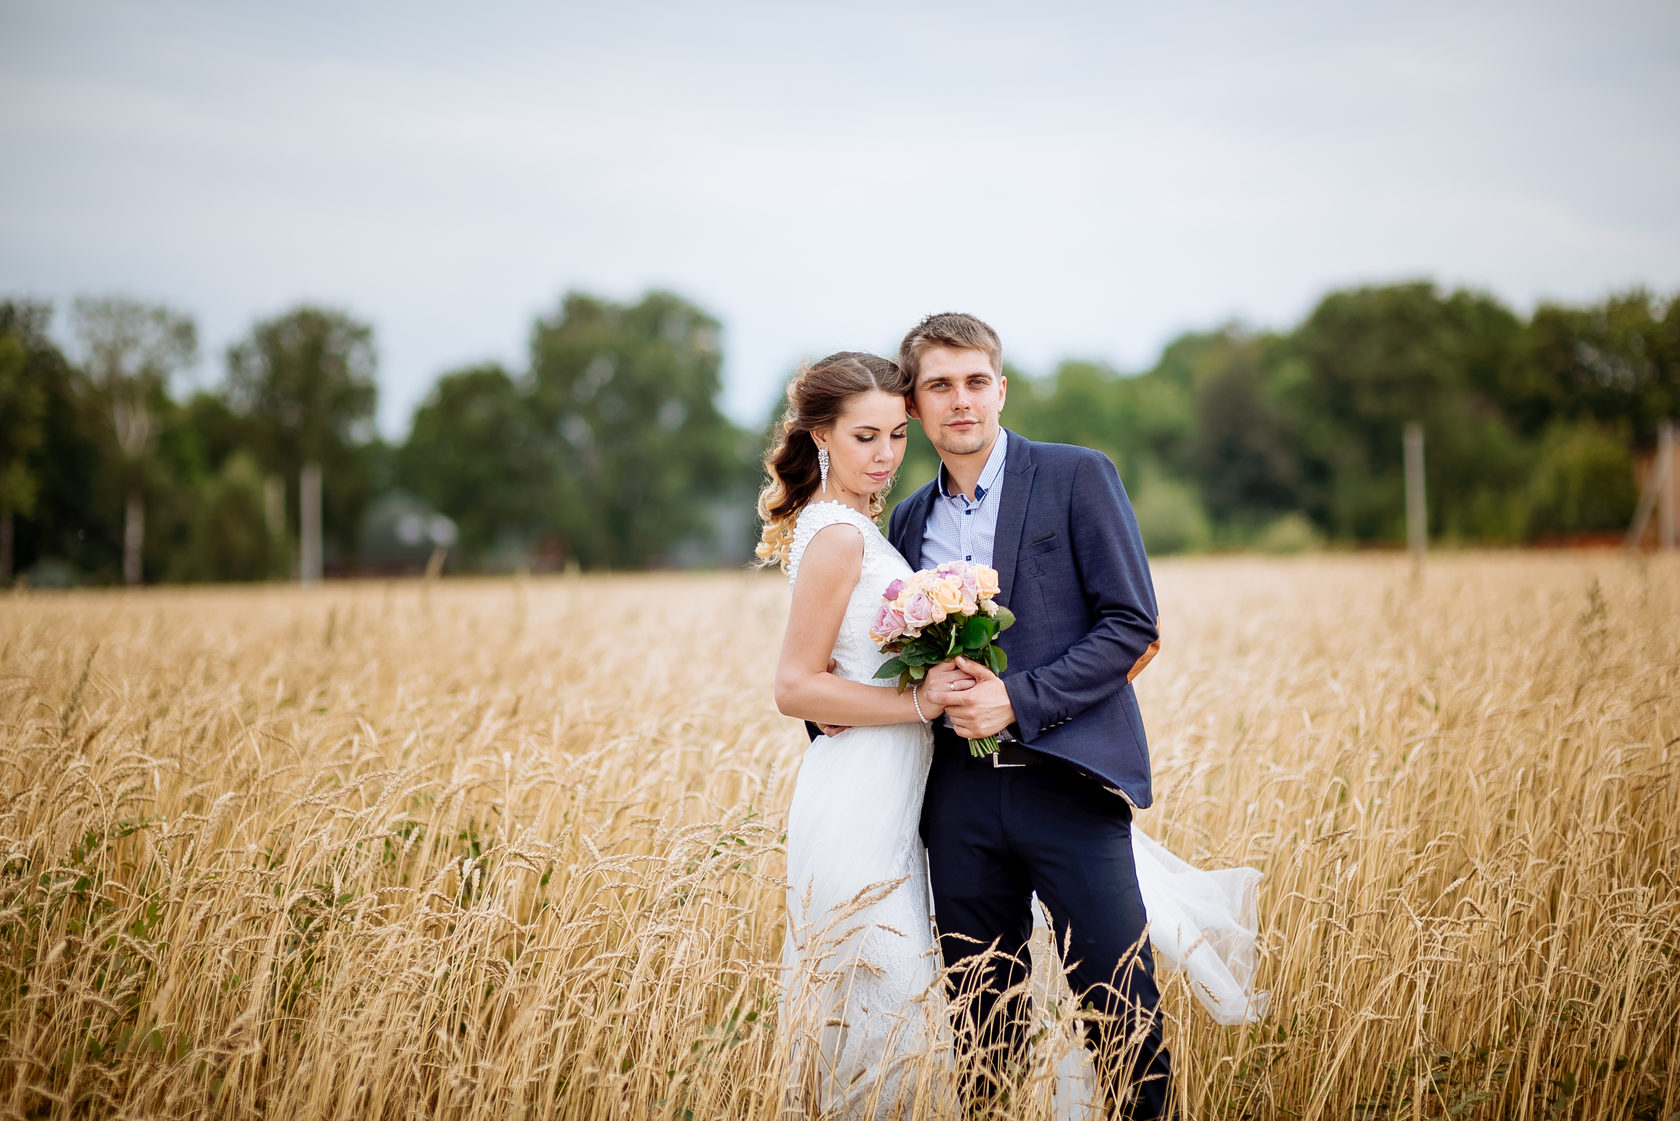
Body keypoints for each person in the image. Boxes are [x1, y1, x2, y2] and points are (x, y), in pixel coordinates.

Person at [762, 336, 1267, 1120]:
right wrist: (848, 711)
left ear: (1002, 389)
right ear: (918, 402)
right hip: (951, 807)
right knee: (980, 1037)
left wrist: (1017, 700)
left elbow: (1133, 625)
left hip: (1067, 787)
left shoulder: (1075, 475)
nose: (959, 399)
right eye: (938, 386)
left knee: (1122, 1018)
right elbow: (848, 658)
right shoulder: (906, 516)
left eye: (975, 381)